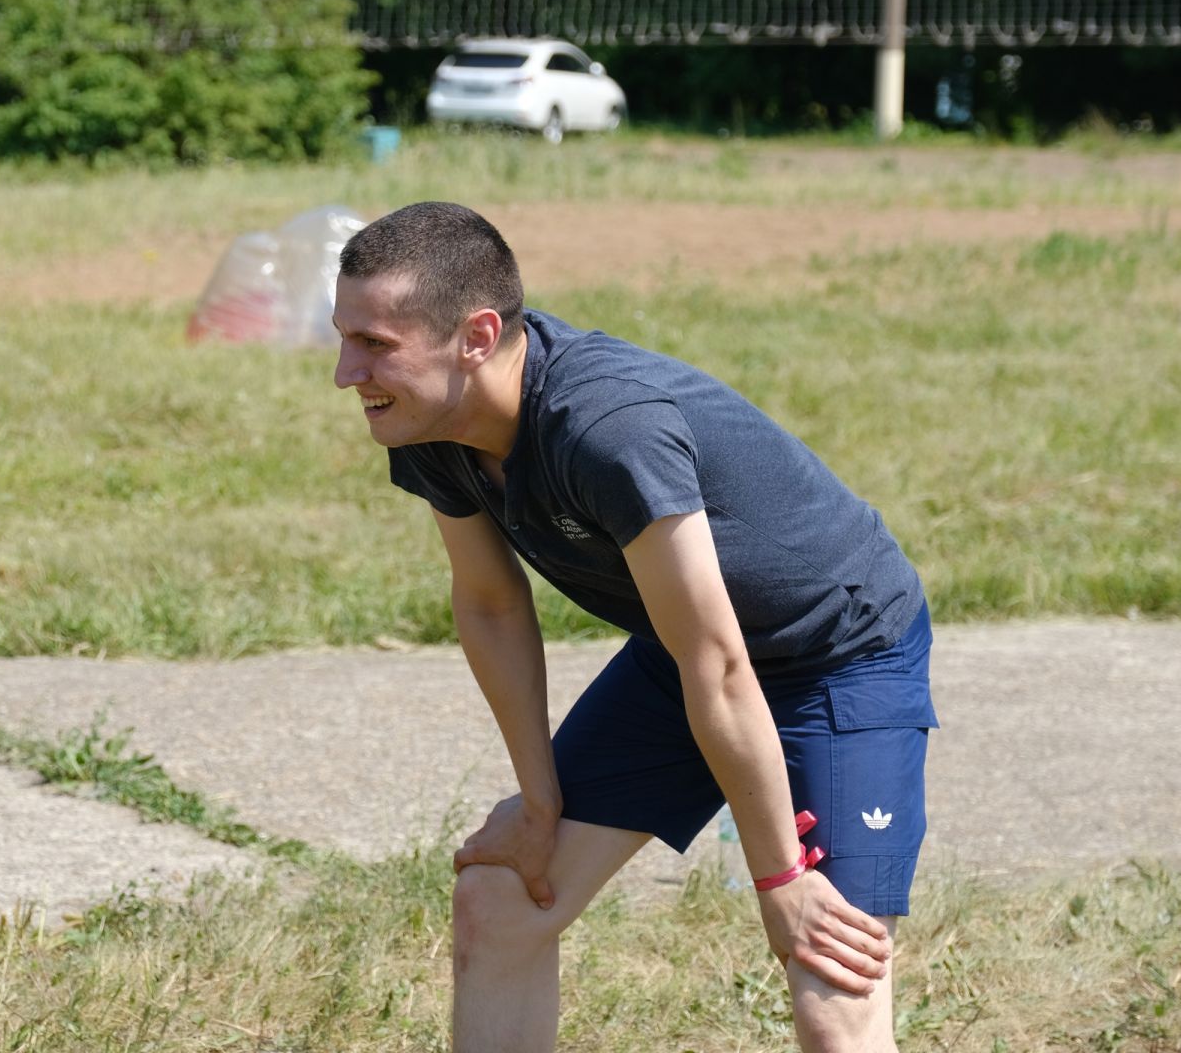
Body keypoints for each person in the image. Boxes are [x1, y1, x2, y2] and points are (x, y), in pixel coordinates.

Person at [331, 202, 937, 1053]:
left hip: (838, 652)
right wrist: (538, 802)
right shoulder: (430, 420)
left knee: (830, 969)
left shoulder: (606, 429)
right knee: (502, 898)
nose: (345, 371)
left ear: (477, 336)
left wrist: (779, 877)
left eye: (375, 345)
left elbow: (722, 666)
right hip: (683, 653)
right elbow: (491, 602)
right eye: (344, 338)